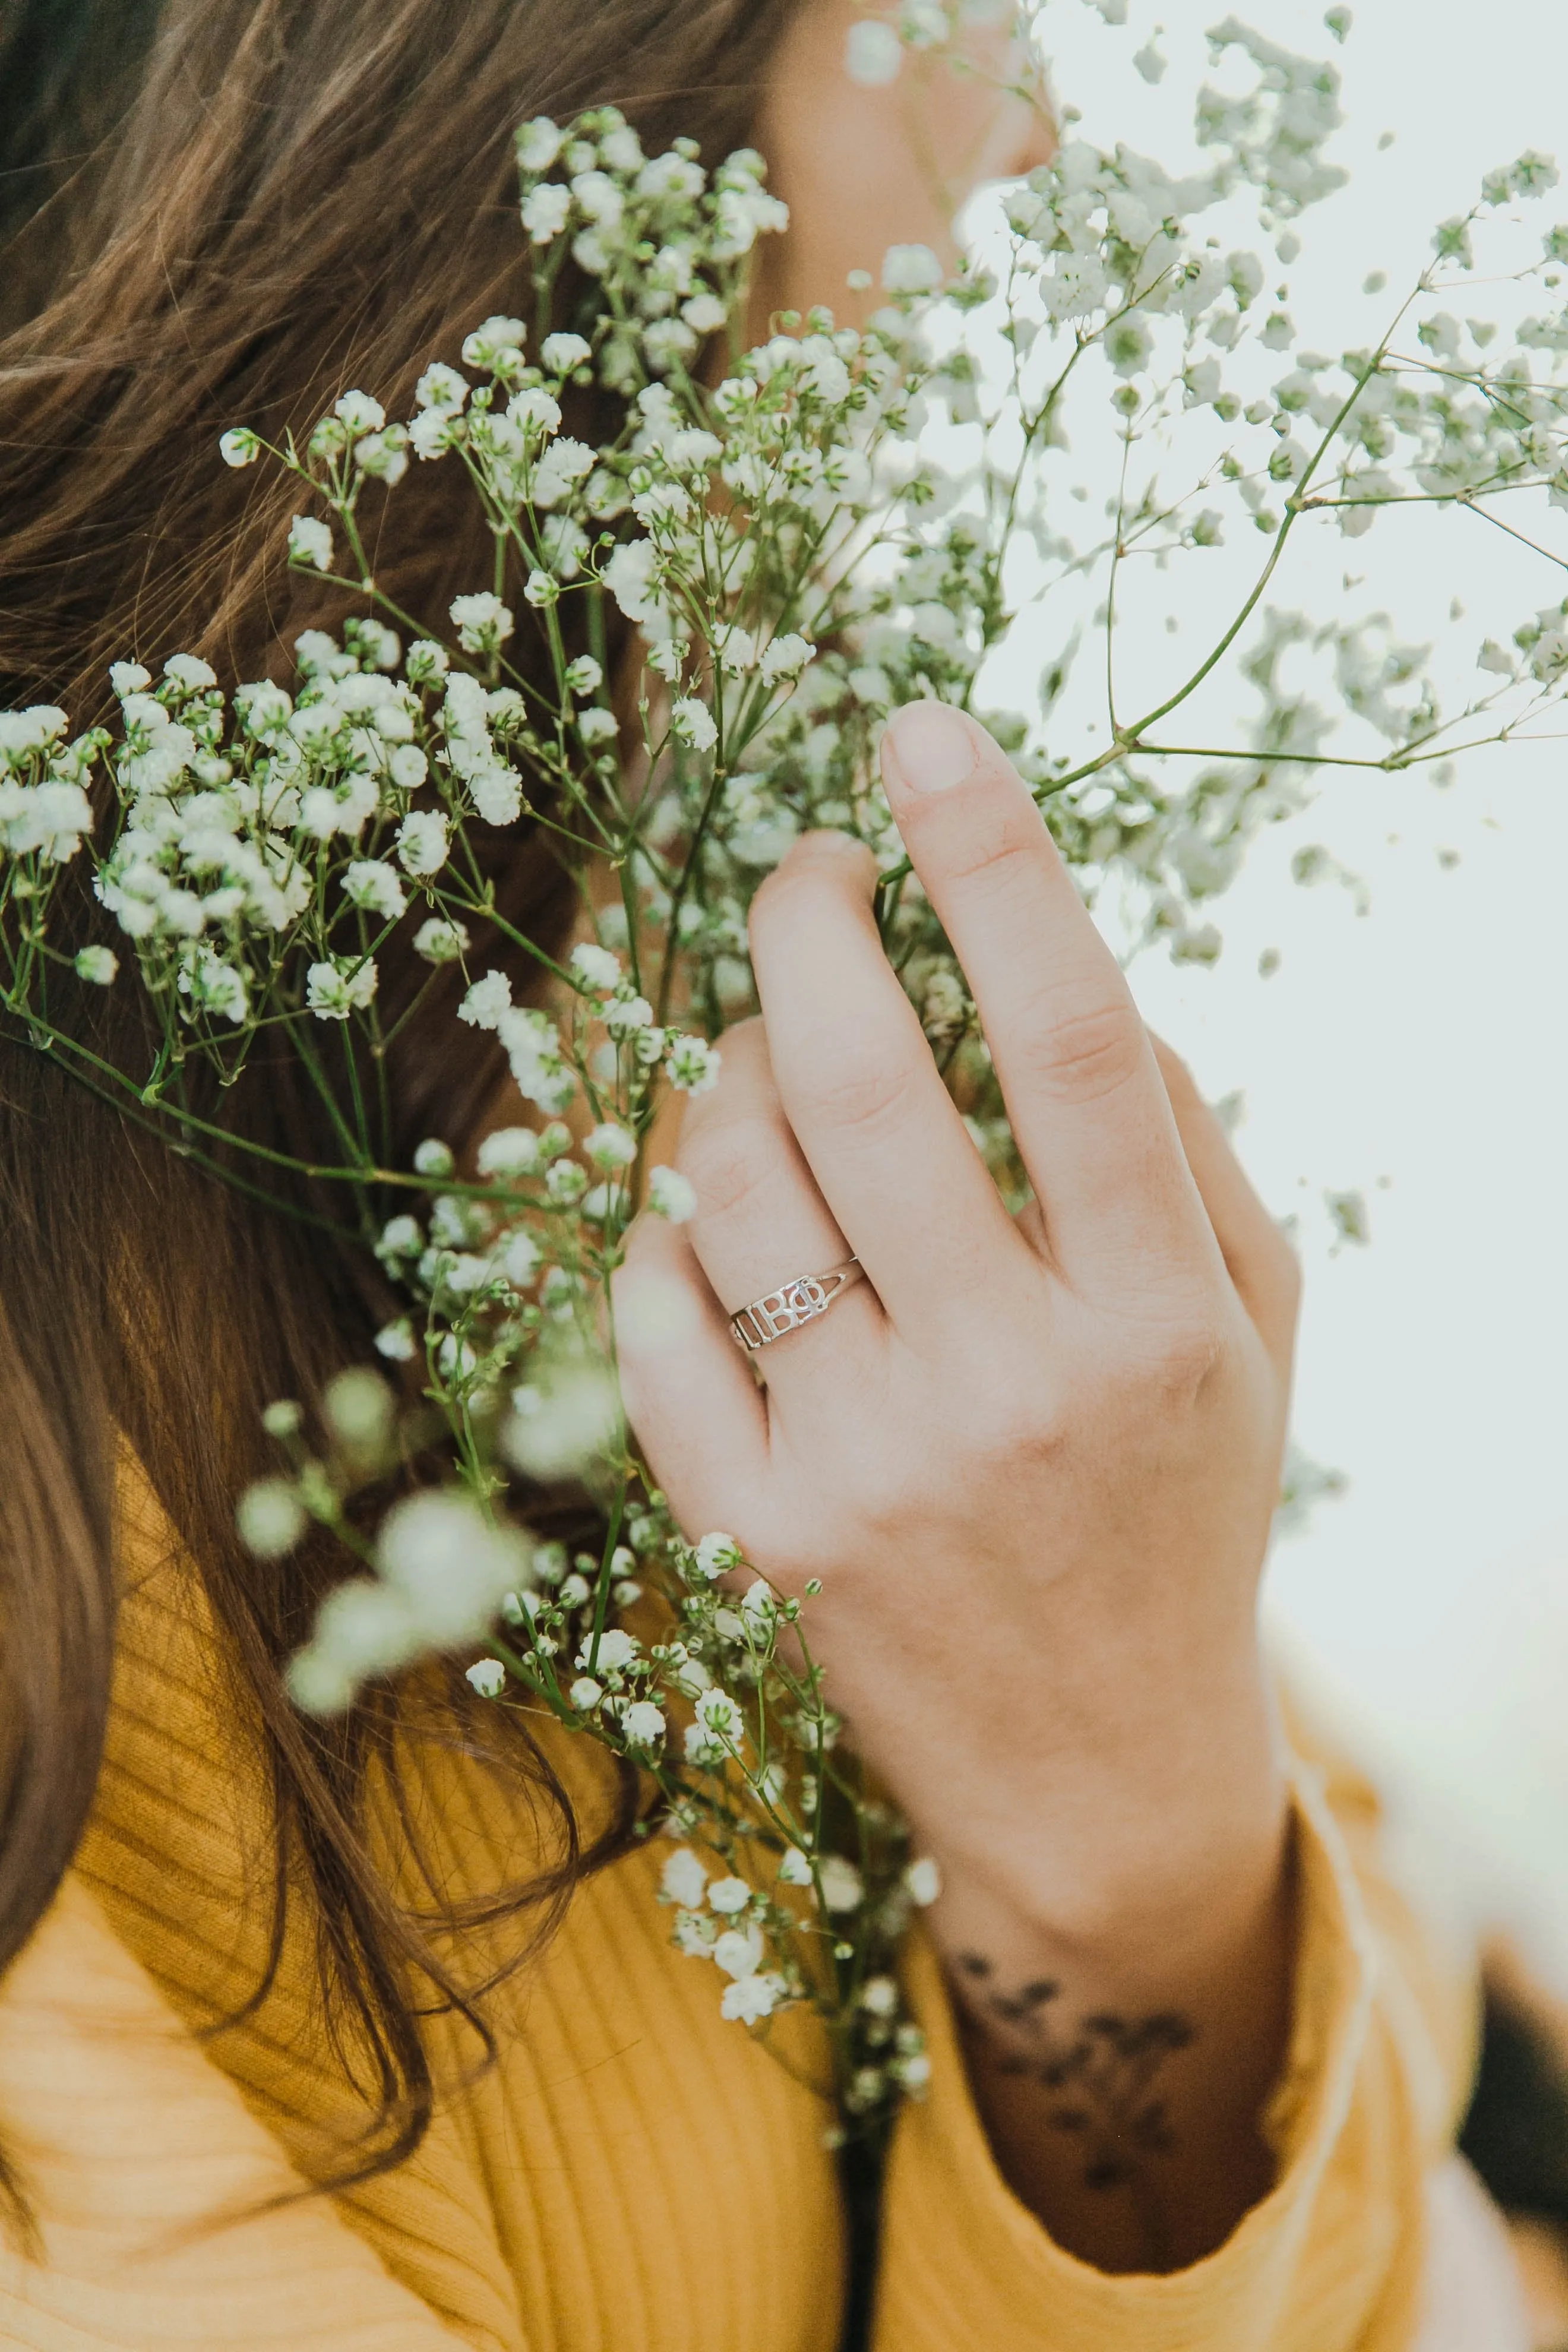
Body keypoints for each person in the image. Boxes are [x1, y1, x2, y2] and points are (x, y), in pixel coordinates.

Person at [0, 0, 1525, 2342]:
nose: (1024, 131)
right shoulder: (75, 1653)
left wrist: (1139, 1820)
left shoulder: (609, 1014)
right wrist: (1130, 1847)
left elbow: (1425, 2039)